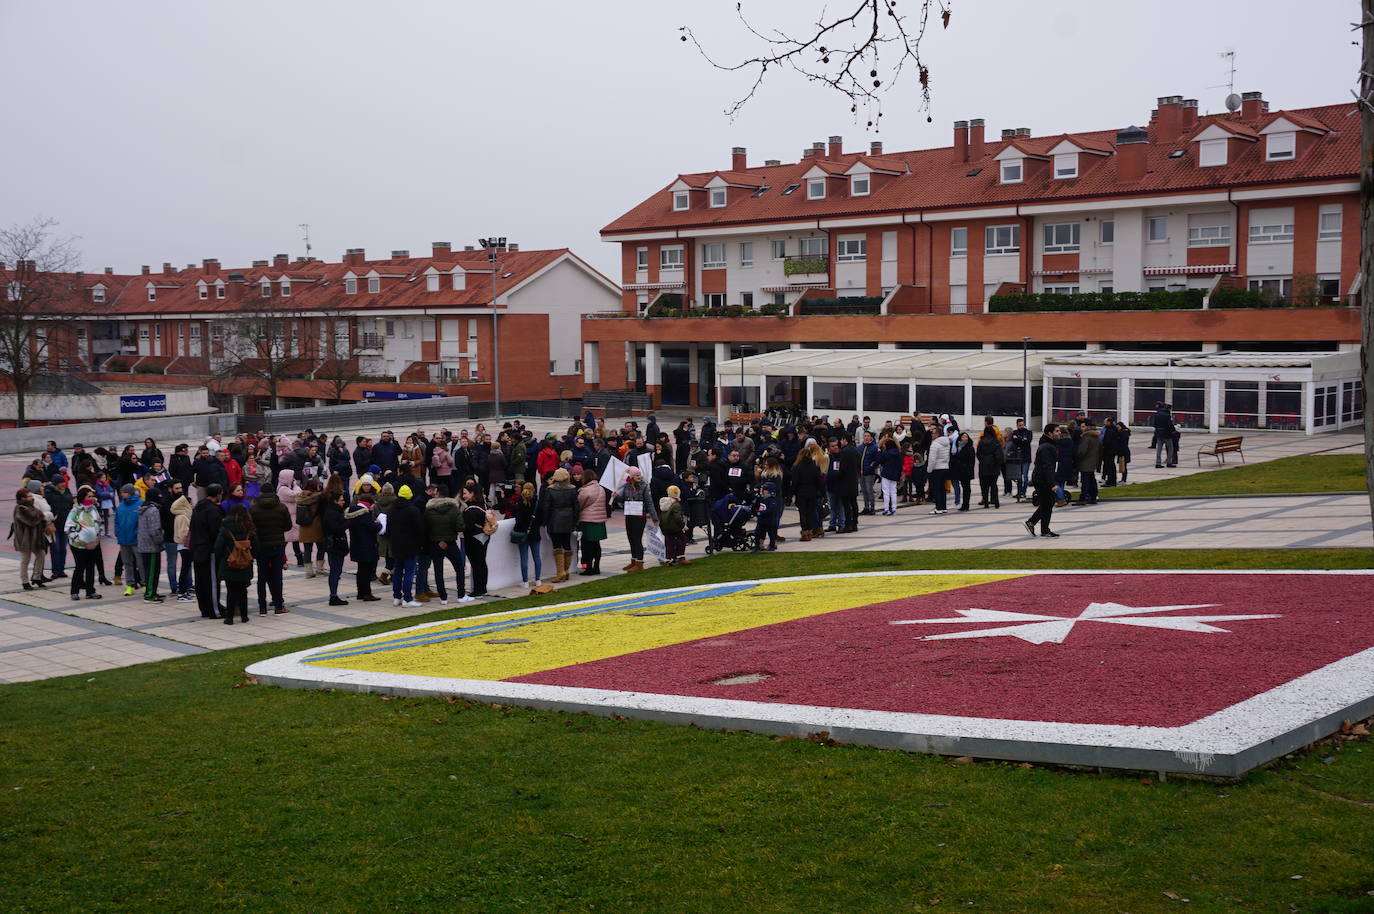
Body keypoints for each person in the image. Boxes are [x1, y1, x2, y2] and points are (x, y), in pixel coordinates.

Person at [248, 484, 292, 615]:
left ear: (261, 492)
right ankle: (279, 606)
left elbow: (251, 527)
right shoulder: (281, 507)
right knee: (277, 577)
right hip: (277, 545)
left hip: (261, 546)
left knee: (262, 578)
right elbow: (288, 526)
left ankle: (262, 608)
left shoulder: (254, 508)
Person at [214, 504, 257, 624]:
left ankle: (230, 618)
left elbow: (218, 548)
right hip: (245, 564)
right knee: (243, 590)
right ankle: (244, 616)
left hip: (230, 563)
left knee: (231, 591)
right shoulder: (249, 528)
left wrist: (224, 556)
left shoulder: (225, 528)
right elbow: (256, 548)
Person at [422, 482, 461, 604]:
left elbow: (426, 527)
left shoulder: (429, 509)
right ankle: (461, 594)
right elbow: (460, 526)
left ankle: (443, 597)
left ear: (438, 493)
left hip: (435, 543)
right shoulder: (454, 508)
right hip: (450, 542)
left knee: (438, 571)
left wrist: (438, 539)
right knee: (459, 568)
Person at [190, 484, 225, 619]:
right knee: (212, 582)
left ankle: (205, 608)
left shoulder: (199, 507)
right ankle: (214, 610)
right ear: (217, 494)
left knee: (201, 581)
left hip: (197, 548)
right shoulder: (213, 511)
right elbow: (215, 532)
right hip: (209, 550)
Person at [385, 484, 423, 607]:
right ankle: (407, 598)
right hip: (410, 546)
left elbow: (388, 529)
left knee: (397, 572)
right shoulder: (413, 510)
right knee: (409, 573)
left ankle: (397, 597)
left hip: (396, 545)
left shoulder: (391, 510)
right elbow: (418, 530)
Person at [539, 467, 578, 583]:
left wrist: (544, 521)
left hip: (554, 519)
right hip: (568, 519)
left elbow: (546, 507)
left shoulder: (550, 490)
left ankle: (560, 572)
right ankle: (566, 571)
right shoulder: (572, 489)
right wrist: (574, 521)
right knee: (567, 545)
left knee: (557, 546)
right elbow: (576, 507)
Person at [64, 487, 103, 601]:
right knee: (80, 567)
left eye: (92, 496)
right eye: (89, 496)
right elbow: (68, 528)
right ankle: (74, 591)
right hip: (79, 546)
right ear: (82, 498)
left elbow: (98, 523)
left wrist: (96, 538)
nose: (91, 499)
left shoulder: (93, 509)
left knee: (91, 567)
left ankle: (90, 591)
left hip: (93, 545)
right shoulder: (75, 511)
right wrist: (81, 541)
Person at [1025, 424, 1062, 538]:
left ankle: (1038, 526)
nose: (1059, 433)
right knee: (1048, 502)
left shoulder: (1048, 444)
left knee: (1048, 503)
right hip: (1042, 480)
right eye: (1057, 431)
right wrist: (1052, 484)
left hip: (1042, 478)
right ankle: (1039, 527)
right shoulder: (1047, 447)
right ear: (1050, 433)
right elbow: (1047, 466)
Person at [11, 487, 52, 590]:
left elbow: (38, 516)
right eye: (29, 496)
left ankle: (37, 577)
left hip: (37, 538)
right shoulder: (19, 508)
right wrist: (40, 516)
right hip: (25, 539)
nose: (31, 497)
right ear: (22, 498)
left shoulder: (32, 506)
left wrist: (39, 516)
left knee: (41, 555)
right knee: (25, 560)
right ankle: (25, 581)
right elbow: (31, 521)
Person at [345, 490, 382, 602]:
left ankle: (360, 592)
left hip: (356, 545)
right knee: (366, 571)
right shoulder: (364, 514)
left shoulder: (352, 512)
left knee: (361, 570)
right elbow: (372, 528)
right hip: (366, 546)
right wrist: (379, 524)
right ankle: (367, 593)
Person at [320, 490, 351, 606]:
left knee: (336, 570)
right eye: (341, 500)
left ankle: (334, 595)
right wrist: (347, 522)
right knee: (335, 571)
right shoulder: (333, 513)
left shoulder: (332, 511)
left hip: (334, 544)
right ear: (335, 501)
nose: (343, 502)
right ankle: (333, 596)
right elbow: (337, 529)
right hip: (335, 545)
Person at [459, 484, 489, 598]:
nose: (463, 495)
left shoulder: (470, 510)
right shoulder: (483, 505)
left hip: (473, 540)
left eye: (465, 493)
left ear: (472, 494)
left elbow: (467, 527)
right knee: (482, 563)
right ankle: (483, 588)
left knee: (476, 564)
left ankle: (478, 590)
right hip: (484, 537)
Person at [136, 486, 165, 602]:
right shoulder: (153, 510)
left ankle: (153, 591)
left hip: (144, 544)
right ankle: (149, 595)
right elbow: (155, 529)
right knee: (152, 572)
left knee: (149, 571)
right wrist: (160, 541)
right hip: (151, 546)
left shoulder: (143, 508)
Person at [512, 482, 544, 586]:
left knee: (524, 558)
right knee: (537, 557)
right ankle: (538, 579)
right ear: (534, 490)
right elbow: (541, 519)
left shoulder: (520, 502)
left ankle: (525, 581)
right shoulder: (537, 502)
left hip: (523, 533)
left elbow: (518, 520)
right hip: (535, 532)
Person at [576, 469, 607, 576]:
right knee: (596, 545)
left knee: (586, 546)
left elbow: (579, 505)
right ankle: (597, 567)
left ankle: (588, 568)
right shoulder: (601, 489)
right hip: (599, 520)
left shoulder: (585, 491)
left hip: (587, 520)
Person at [114, 485, 143, 596]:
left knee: (140, 563)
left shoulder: (139, 504)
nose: (122, 494)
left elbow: (142, 522)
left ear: (129, 493)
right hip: (123, 540)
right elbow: (116, 521)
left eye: (124, 492)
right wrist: (118, 533)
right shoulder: (121, 506)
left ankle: (144, 583)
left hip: (136, 540)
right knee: (127, 563)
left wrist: (137, 533)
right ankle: (130, 585)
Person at [792, 441, 824, 539]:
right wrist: (822, 492)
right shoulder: (815, 467)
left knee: (803, 513)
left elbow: (795, 482)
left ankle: (805, 531)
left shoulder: (797, 467)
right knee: (810, 512)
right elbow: (819, 481)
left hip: (801, 492)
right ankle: (810, 531)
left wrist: (791, 494)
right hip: (812, 492)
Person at [44, 475, 73, 580]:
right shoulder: (49, 493)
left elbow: (71, 504)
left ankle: (61, 570)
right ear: (56, 484)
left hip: (65, 524)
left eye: (64, 482)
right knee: (55, 548)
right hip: (54, 525)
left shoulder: (67, 491)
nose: (63, 484)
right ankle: (55, 570)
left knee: (63, 548)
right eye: (61, 483)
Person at [169, 485, 195, 600]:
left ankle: (183, 592)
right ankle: (182, 593)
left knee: (185, 568)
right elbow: (184, 533)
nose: (192, 505)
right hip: (185, 546)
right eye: (191, 503)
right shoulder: (183, 517)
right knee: (185, 569)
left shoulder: (180, 515)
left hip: (183, 545)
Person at [295, 479, 325, 577]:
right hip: (316, 525)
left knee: (307, 549)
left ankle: (309, 572)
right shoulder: (318, 497)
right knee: (321, 547)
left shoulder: (300, 497)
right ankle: (320, 570)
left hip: (304, 526)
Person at [975, 427, 1005, 509]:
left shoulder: (981, 442)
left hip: (983, 466)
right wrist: (997, 463)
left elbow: (978, 454)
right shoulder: (996, 442)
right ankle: (996, 501)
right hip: (994, 466)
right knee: (993, 484)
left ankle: (986, 503)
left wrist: (983, 461)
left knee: (984, 485)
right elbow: (1000, 455)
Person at [1073, 419, 1102, 506]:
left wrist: (1076, 458)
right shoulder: (1096, 437)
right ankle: (1093, 497)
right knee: (1092, 480)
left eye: (1083, 426)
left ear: (1088, 427)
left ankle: (1083, 498)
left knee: (1085, 481)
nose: (1081, 428)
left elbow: (1082, 451)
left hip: (1085, 462)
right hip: (1093, 462)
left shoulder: (1086, 438)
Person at [658, 485, 688, 565]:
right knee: (683, 539)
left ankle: (668, 559)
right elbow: (677, 518)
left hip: (666, 526)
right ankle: (681, 557)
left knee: (669, 542)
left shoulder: (665, 503)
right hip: (675, 527)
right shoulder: (676, 504)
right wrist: (683, 526)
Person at [927, 428, 951, 515]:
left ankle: (938, 508)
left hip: (937, 468)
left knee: (937, 489)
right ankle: (943, 507)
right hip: (945, 467)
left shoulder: (935, 444)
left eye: (933, 433)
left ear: (937, 434)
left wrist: (929, 470)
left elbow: (932, 459)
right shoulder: (947, 443)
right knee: (942, 489)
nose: (932, 435)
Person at [877, 438, 903, 516]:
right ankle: (894, 509)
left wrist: (879, 452)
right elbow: (900, 465)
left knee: (886, 492)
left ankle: (887, 509)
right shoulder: (898, 453)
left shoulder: (886, 453)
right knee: (893, 492)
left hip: (886, 473)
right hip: (895, 474)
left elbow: (879, 460)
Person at [752, 481, 780, 552]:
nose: (763, 491)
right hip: (761, 520)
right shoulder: (761, 498)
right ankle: (757, 546)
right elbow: (756, 506)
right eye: (762, 489)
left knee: (771, 534)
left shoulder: (772, 500)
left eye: (765, 489)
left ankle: (772, 545)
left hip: (769, 521)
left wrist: (761, 513)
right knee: (757, 533)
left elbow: (771, 510)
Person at [858, 431, 880, 516]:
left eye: (868, 436)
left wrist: (871, 467)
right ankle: (866, 507)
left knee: (869, 490)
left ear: (871, 437)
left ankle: (872, 508)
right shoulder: (860, 447)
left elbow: (877, 460)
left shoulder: (874, 448)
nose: (866, 437)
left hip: (869, 473)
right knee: (864, 490)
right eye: (865, 436)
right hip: (861, 472)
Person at [1152, 402, 1177, 468]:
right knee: (1170, 448)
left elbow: (1154, 424)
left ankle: (1158, 463)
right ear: (1169, 409)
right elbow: (1170, 425)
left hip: (1159, 433)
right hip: (1167, 434)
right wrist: (1173, 430)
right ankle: (1169, 462)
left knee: (1159, 449)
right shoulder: (1167, 415)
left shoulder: (1157, 414)